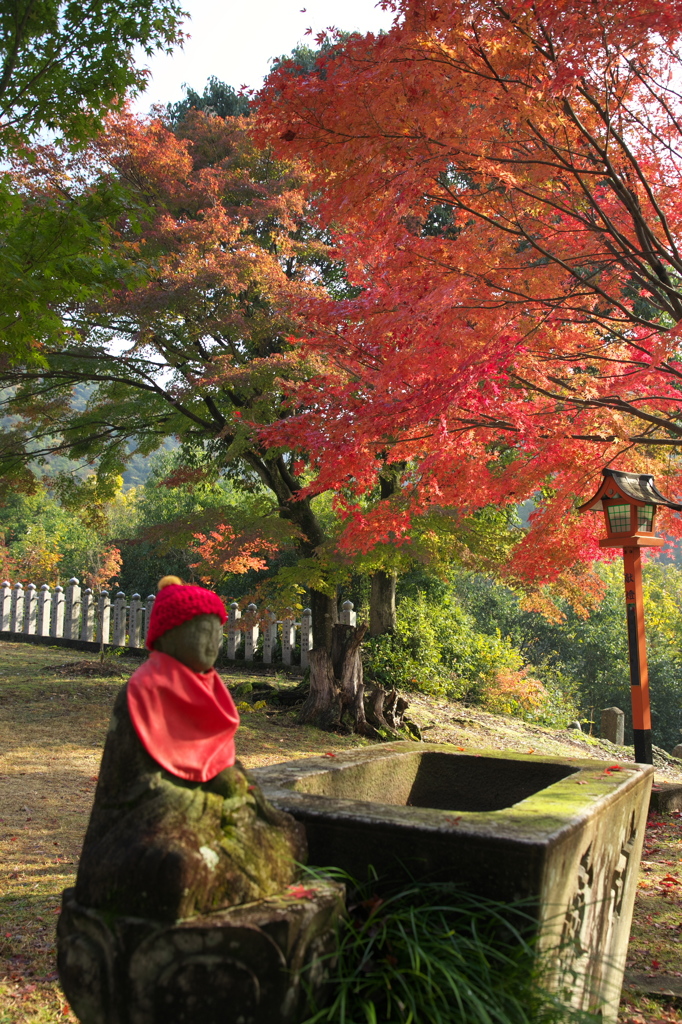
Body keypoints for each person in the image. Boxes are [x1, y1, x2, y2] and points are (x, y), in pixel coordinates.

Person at [75, 577, 306, 922]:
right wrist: (207, 802)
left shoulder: (210, 689)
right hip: (151, 816)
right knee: (178, 868)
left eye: (217, 634)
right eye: (202, 632)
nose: (213, 643)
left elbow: (216, 756)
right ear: (169, 636)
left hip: (208, 810)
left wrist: (233, 781)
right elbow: (133, 787)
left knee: (287, 835)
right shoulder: (141, 693)